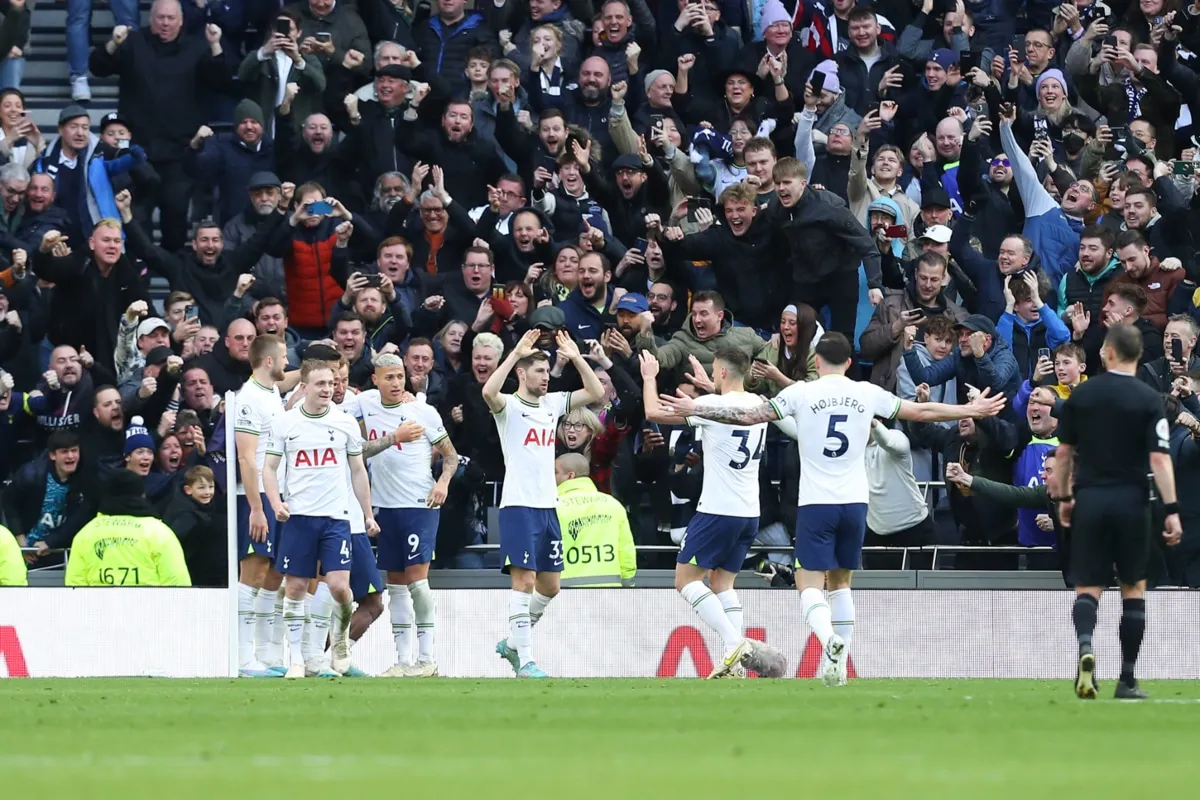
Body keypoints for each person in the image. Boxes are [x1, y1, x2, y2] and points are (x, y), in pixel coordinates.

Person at [663, 332, 1006, 686]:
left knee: (809, 584)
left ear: (817, 361)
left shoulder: (801, 393)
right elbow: (920, 410)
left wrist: (698, 406)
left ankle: (830, 642)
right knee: (842, 584)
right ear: (848, 362)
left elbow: (751, 416)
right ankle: (838, 669)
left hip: (816, 503)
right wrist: (971, 409)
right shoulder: (865, 392)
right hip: (856, 503)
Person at [641, 348, 787, 679]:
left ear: (720, 372)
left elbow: (653, 411)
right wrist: (711, 389)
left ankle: (734, 642)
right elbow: (727, 408)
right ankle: (735, 662)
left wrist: (650, 376)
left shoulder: (709, 408)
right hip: (749, 512)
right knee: (723, 582)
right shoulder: (757, 404)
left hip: (718, 510)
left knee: (685, 580)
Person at [1054, 324, 1181, 701]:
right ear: (1138, 356)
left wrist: (1063, 499)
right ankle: (1126, 680)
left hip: (1091, 499)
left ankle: (1085, 646)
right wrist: (1172, 508)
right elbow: (1159, 458)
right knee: (1133, 589)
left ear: (1107, 353)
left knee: (1088, 587)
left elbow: (1063, 454)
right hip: (1131, 500)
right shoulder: (1148, 399)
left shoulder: (1083, 395)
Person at [483, 328, 604, 678]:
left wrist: (577, 357)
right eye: (538, 371)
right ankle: (526, 661)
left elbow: (596, 392)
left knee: (550, 586)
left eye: (547, 371)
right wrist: (515, 352)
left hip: (547, 507)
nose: (545, 377)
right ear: (522, 374)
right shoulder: (509, 406)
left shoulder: (553, 403)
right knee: (524, 581)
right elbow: (488, 391)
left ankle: (512, 641)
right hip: (519, 506)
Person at [263, 359, 378, 679]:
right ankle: (297, 659)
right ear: (305, 387)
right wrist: (275, 503)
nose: (328, 389)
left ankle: (339, 642)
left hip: (336, 519)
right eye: (321, 384)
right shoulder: (285, 424)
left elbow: (358, 471)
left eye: (332, 383)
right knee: (296, 587)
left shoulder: (344, 423)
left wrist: (367, 514)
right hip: (299, 517)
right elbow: (269, 468)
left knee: (341, 587)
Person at [357, 354, 459, 678]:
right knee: (397, 587)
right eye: (389, 377)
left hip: (419, 505)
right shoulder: (365, 405)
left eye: (400, 376)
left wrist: (442, 482)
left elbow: (451, 455)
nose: (397, 383)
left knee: (417, 583)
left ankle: (427, 658)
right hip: (385, 508)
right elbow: (354, 447)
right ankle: (403, 661)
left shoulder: (423, 412)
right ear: (375, 380)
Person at [232, 334, 288, 677]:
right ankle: (243, 659)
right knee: (252, 572)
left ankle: (264, 655)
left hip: (274, 494)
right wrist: (256, 507)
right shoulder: (250, 399)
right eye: (283, 357)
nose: (287, 362)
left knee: (271, 573)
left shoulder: (272, 391)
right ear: (268, 361)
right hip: (255, 497)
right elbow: (246, 457)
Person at [64, 469, 191, 587]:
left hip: (100, 610)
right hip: (148, 609)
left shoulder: (86, 534)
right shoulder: (159, 532)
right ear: (142, 495)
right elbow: (178, 584)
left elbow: (74, 584)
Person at [553, 452, 637, 588]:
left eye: (555, 472)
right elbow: (626, 550)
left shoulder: (554, 508)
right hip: (610, 593)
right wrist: (628, 586)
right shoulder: (613, 505)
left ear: (570, 476)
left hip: (563, 596)